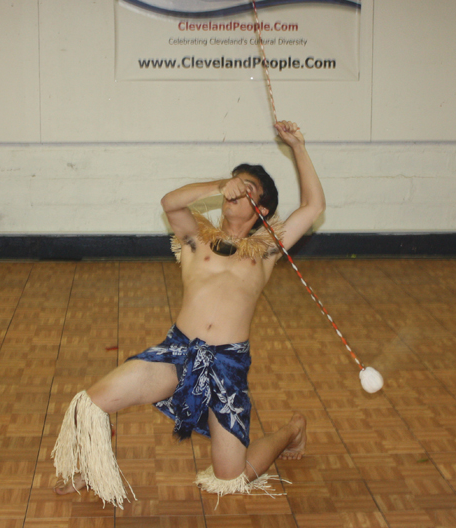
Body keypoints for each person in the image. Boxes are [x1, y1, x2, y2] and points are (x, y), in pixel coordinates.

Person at [52, 120, 325, 508]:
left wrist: (298, 146)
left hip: (227, 365)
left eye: (246, 190)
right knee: (91, 402)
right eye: (235, 184)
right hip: (176, 354)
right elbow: (170, 202)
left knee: (231, 478)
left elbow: (314, 207)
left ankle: (292, 430)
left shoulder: (266, 249)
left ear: (261, 209)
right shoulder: (197, 238)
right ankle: (89, 467)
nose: (234, 191)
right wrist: (219, 186)